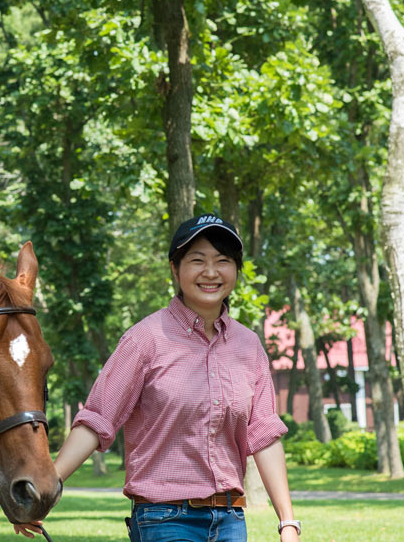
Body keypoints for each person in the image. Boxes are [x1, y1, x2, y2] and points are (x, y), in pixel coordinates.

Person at [17, 213, 302, 542]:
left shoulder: (248, 346)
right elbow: (96, 420)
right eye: (197, 260)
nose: (210, 272)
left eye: (222, 261)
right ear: (174, 269)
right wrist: (45, 490)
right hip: (164, 520)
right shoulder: (145, 340)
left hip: (231, 520)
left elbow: (265, 435)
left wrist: (288, 522)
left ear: (235, 270)